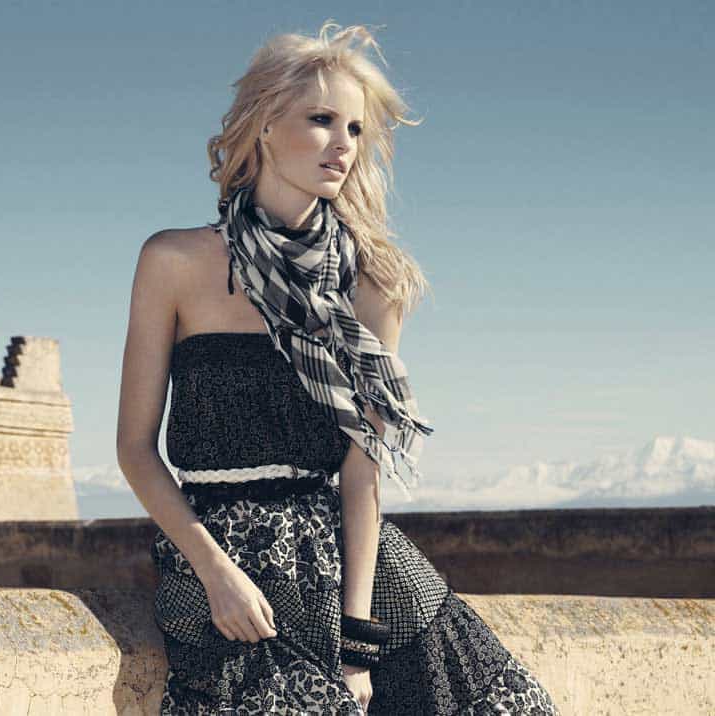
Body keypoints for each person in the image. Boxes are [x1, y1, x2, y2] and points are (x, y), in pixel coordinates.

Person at [116, 20, 561, 715]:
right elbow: (135, 449)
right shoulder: (172, 261)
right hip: (222, 563)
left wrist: (358, 641)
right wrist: (214, 572)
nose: (344, 144)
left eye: (355, 128)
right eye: (322, 120)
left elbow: (363, 471)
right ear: (265, 125)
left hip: (353, 569)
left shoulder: (373, 283)